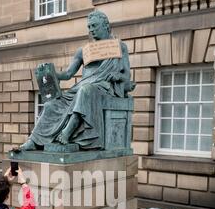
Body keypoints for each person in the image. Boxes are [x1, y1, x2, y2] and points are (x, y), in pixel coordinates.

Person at [20, 10, 134, 151]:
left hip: (103, 88)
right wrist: (50, 73)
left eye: (94, 26)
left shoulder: (119, 47)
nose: (91, 30)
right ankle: (34, 140)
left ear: (105, 25)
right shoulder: (83, 51)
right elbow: (68, 74)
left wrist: (118, 76)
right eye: (89, 27)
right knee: (51, 104)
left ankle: (68, 131)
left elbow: (127, 76)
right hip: (82, 87)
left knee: (85, 90)